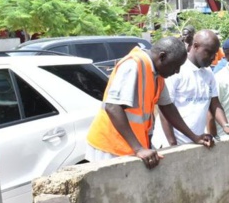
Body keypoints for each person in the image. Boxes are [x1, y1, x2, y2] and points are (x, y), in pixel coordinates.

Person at [86, 37, 213, 169]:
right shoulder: (133, 65)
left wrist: (194, 137)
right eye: (175, 66)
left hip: (131, 147)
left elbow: (167, 107)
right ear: (162, 57)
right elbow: (112, 107)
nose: (177, 72)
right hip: (110, 147)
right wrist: (138, 149)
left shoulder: (158, 74)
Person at [152, 30, 229, 148]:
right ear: (195, 46)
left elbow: (215, 103)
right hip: (170, 143)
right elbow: (164, 110)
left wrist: (226, 126)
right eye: (209, 52)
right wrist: (172, 144)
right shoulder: (175, 69)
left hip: (195, 141)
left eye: (215, 53)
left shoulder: (208, 73)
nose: (213, 57)